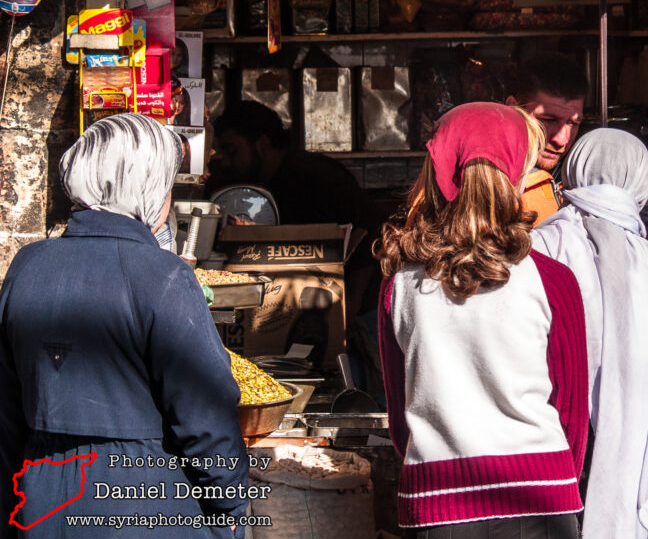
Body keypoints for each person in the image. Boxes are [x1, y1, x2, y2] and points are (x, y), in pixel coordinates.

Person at [0, 114, 247, 539]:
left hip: (40, 502)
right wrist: (230, 514)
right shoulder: (163, 274)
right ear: (147, 185)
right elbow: (207, 417)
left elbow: (4, 414)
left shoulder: (26, 266)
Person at [375, 102, 588, 538]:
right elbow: (571, 415)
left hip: (438, 502)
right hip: (542, 496)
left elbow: (399, 420)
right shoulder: (554, 281)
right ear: (516, 174)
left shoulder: (398, 287)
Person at [531, 128, 648, 539]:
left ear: (574, 171)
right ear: (642, 183)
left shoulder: (537, 251)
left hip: (558, 470)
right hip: (642, 481)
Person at [209, 101, 386, 330]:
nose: (225, 160)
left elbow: (371, 235)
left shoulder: (312, 178)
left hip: (360, 311)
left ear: (262, 145)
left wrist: (351, 303)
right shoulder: (266, 182)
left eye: (232, 151)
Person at [505, 52, 588, 224]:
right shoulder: (487, 181)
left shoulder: (579, 178)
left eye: (573, 123)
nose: (562, 140)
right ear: (513, 108)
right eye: (548, 120)